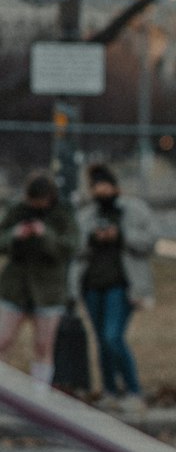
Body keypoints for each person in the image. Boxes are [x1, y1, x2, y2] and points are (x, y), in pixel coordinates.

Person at [76, 162, 157, 414]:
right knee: (101, 340)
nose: (100, 192)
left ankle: (134, 391)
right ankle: (110, 391)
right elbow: (74, 248)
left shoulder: (133, 210)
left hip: (122, 284)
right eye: (95, 187)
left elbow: (151, 240)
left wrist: (120, 235)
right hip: (92, 284)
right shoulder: (86, 215)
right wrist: (93, 237)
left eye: (104, 186)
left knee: (113, 337)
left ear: (115, 186)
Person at [0, 171, 78, 387]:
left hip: (48, 290)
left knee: (43, 346)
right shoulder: (18, 210)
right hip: (16, 287)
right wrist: (15, 235)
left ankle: (40, 396)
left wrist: (46, 235)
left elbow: (71, 247)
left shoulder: (63, 213)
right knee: (3, 341)